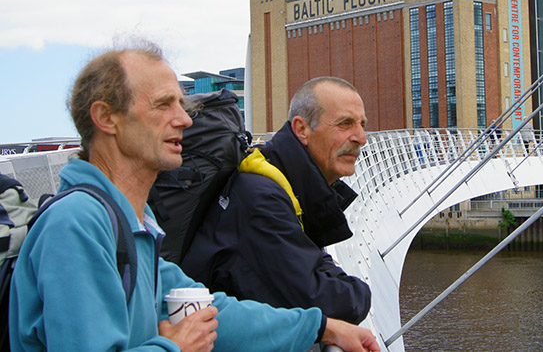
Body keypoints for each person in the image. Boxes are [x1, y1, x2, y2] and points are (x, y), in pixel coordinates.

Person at [9, 42, 379, 352]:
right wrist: (175, 348)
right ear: (107, 118)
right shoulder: (76, 224)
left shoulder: (136, 223)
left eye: (181, 105)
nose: (184, 120)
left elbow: (214, 311)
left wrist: (321, 329)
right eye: (163, 104)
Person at [182, 76, 371, 326]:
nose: (361, 137)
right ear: (302, 129)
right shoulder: (261, 199)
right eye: (345, 124)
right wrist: (359, 290)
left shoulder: (279, 182)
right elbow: (331, 303)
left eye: (362, 124)